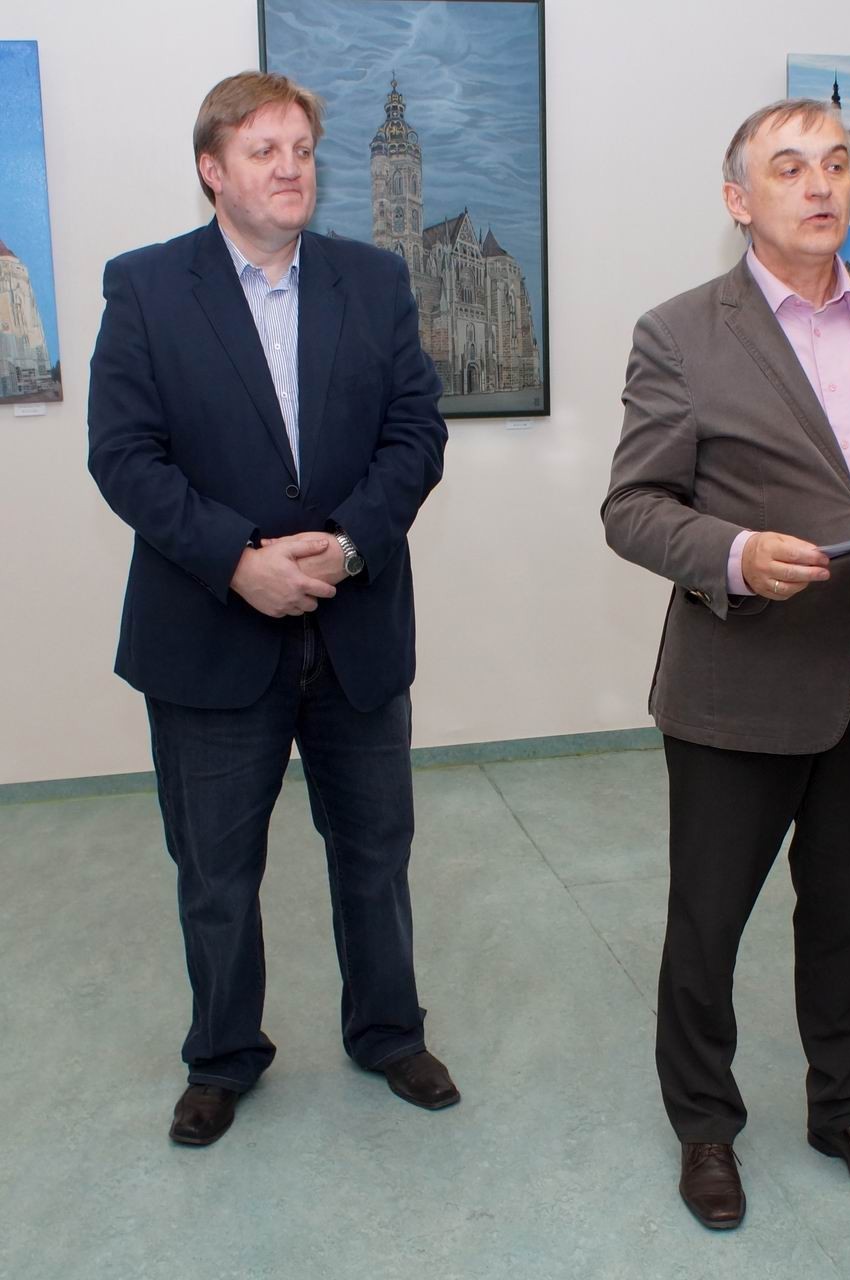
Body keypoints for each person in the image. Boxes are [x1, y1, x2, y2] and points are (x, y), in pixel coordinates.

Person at [602, 98, 850, 1229]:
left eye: (836, 164)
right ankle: (705, 1126)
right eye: (788, 167)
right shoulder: (680, 333)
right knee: (707, 923)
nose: (820, 185)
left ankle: (846, 1110)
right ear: (739, 199)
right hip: (738, 684)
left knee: (848, 920)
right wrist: (733, 552)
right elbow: (633, 506)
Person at [87, 71, 455, 1147]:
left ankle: (388, 1031)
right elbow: (123, 455)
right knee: (216, 869)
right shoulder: (148, 288)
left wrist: (348, 546)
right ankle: (222, 1055)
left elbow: (416, 435)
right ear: (213, 170)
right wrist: (237, 561)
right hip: (209, 632)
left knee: (375, 850)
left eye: (301, 149)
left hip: (354, 626)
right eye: (264, 151)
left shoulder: (373, 281)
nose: (291, 168)